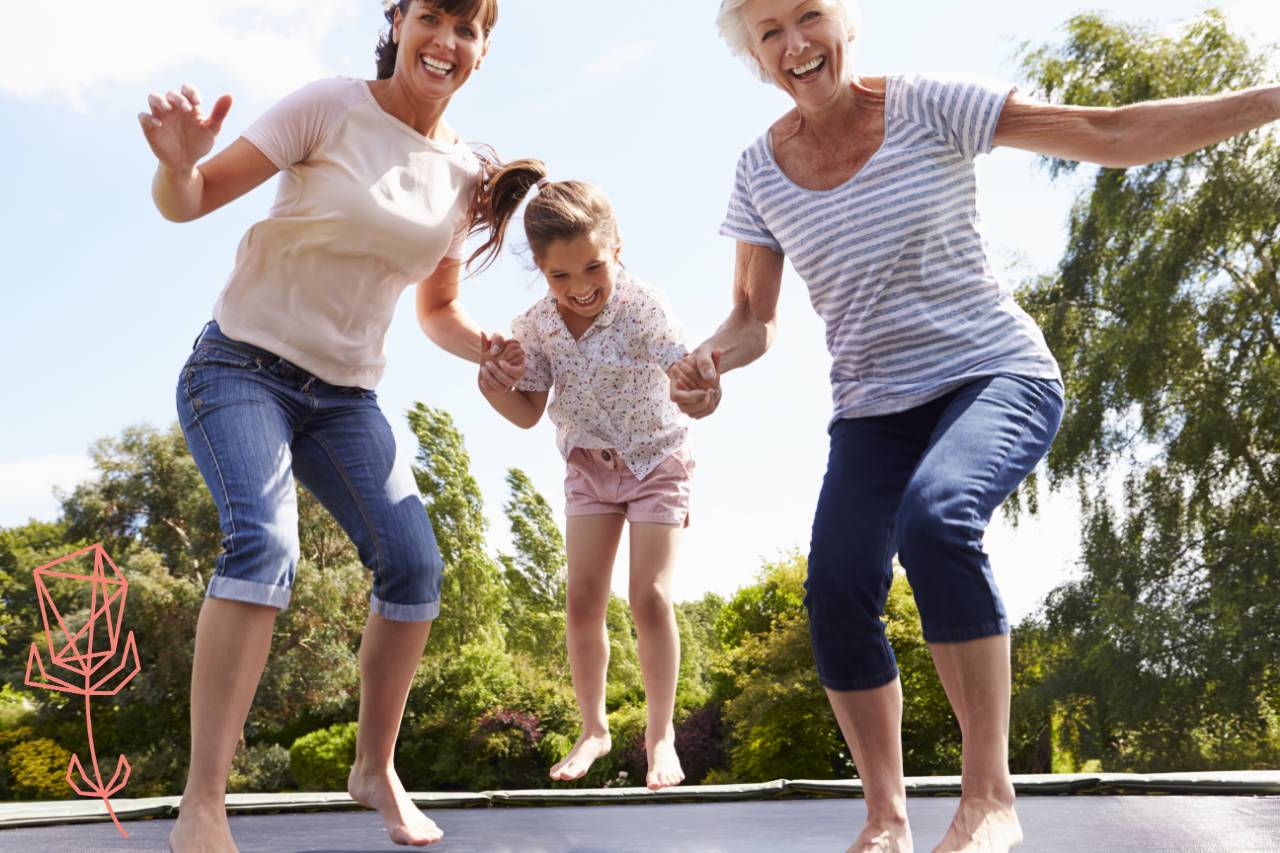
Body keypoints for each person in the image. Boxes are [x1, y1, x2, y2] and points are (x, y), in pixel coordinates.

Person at [669, 1, 1280, 850]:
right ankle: (886, 819)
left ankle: (989, 797)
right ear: (755, 55)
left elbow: (1104, 133)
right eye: (771, 31)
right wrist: (709, 364)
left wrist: (1271, 99)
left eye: (810, 15)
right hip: (873, 409)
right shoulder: (759, 171)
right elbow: (751, 318)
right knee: (838, 589)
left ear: (846, 25)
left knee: (937, 517)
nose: (796, 43)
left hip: (994, 374)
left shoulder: (928, 104)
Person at [138, 2, 529, 849]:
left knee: (415, 563)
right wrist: (178, 165)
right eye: (433, 17)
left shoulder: (463, 175)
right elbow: (191, 199)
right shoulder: (328, 105)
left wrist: (486, 348)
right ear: (401, 21)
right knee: (263, 543)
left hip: (346, 399)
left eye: (468, 29)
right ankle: (204, 798)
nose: (447, 42)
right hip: (241, 368)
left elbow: (440, 308)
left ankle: (373, 766)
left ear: (483, 50)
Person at [474, 163, 693, 791]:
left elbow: (683, 365)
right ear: (542, 272)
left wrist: (701, 384)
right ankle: (594, 728)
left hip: (657, 460)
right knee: (581, 601)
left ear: (616, 251)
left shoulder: (644, 306)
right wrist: (492, 387)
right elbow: (526, 412)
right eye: (560, 275)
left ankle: (660, 737)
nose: (580, 287)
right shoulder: (535, 326)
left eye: (593, 268)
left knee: (648, 598)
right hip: (587, 466)